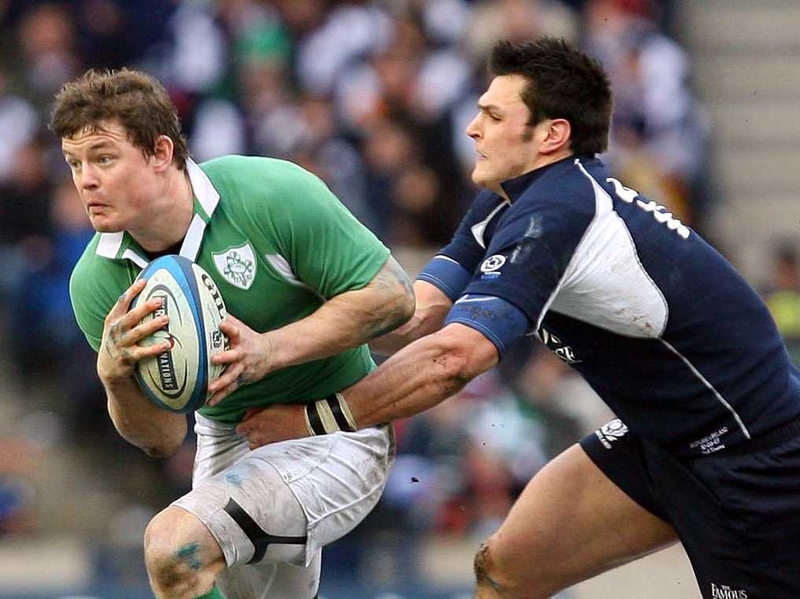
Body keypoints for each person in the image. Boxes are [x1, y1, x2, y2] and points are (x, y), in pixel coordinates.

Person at [226, 37, 800, 599]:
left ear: (552, 135)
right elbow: (410, 315)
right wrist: (273, 337)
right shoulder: (508, 202)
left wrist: (314, 420)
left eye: (494, 116)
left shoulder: (560, 210)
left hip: (752, 460)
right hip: (658, 439)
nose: (473, 129)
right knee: (506, 572)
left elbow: (455, 358)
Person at [50, 68, 415, 599]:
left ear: (160, 152)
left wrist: (270, 349)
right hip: (229, 437)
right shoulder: (96, 283)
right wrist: (116, 379)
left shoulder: (268, 193)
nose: (86, 180)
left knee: (174, 548)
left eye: (103, 158)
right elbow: (162, 439)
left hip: (338, 425)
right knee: (186, 572)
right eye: (74, 163)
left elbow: (393, 296)